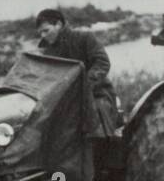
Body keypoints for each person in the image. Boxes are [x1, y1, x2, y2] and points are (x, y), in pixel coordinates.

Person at [34, 8, 119, 137]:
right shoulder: (47, 52)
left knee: (97, 118)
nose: (43, 36)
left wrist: (85, 86)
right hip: (65, 100)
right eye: (40, 33)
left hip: (96, 93)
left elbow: (102, 63)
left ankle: (105, 151)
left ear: (59, 24)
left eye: (46, 30)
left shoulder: (84, 38)